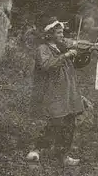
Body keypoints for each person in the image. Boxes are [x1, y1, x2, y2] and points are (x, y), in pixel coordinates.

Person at [31, 17, 92, 166]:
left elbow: (76, 65)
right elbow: (47, 65)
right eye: (58, 32)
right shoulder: (43, 49)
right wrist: (65, 55)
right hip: (53, 91)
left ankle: (63, 155)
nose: (62, 35)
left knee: (69, 123)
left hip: (68, 91)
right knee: (55, 121)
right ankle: (37, 150)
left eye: (62, 32)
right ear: (49, 34)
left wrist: (86, 53)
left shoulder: (62, 47)